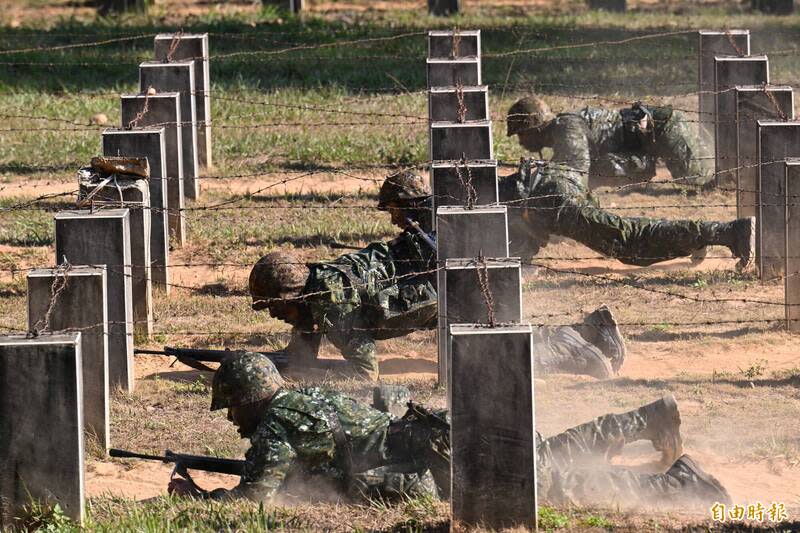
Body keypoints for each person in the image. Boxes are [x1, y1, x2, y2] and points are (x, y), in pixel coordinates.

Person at [168, 353, 731, 510]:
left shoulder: (273, 427)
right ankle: (647, 417)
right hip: (437, 430)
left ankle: (688, 486)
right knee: (543, 453)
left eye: (231, 409)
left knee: (551, 486)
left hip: (442, 457)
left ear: (247, 398)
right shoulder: (303, 398)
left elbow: (249, 502)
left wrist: (199, 496)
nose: (231, 420)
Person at [249, 172, 628, 381]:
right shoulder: (321, 286)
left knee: (485, 361)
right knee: (489, 343)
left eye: (272, 306)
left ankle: (579, 351)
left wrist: (310, 377)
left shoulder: (329, 299)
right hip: (446, 284)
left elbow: (364, 373)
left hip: (452, 291)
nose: (272, 315)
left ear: (291, 294)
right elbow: (300, 357)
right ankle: (592, 329)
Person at [499, 158, 755, 269]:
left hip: (551, 198)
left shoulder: (472, 211)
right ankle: (694, 238)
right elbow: (521, 241)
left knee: (629, 242)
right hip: (550, 183)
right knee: (625, 238)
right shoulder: (474, 200)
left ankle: (729, 232)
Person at [506, 96, 714, 188]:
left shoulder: (566, 129)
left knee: (700, 178)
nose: (521, 141)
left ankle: (735, 172)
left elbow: (575, 174)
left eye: (521, 134)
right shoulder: (560, 131)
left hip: (664, 128)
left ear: (534, 128)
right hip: (644, 140)